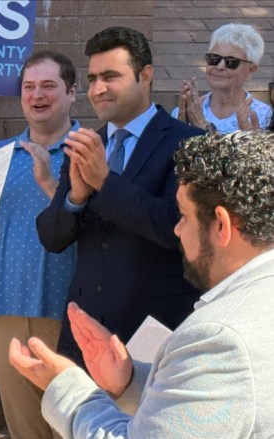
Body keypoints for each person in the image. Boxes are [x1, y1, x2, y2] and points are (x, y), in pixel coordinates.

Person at [9, 131, 274, 438]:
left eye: (184, 216)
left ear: (222, 225)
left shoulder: (216, 340)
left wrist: (71, 391)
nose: (177, 229)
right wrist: (132, 381)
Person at [36, 27, 204, 367]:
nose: (98, 89)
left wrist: (104, 181)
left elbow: (175, 228)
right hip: (85, 339)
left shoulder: (188, 143)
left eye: (111, 76)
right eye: (93, 78)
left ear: (145, 76)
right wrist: (76, 199)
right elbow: (52, 238)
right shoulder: (85, 145)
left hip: (157, 333)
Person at [0, 50, 78, 439]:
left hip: (72, 312)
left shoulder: (92, 150)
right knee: (25, 432)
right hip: (10, 311)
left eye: (49, 85)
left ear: (71, 92)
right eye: (29, 87)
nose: (38, 95)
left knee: (76, 428)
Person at [172, 23, 271, 133]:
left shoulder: (264, 116)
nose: (219, 67)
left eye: (231, 62)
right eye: (214, 59)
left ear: (250, 70)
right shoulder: (186, 112)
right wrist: (179, 127)